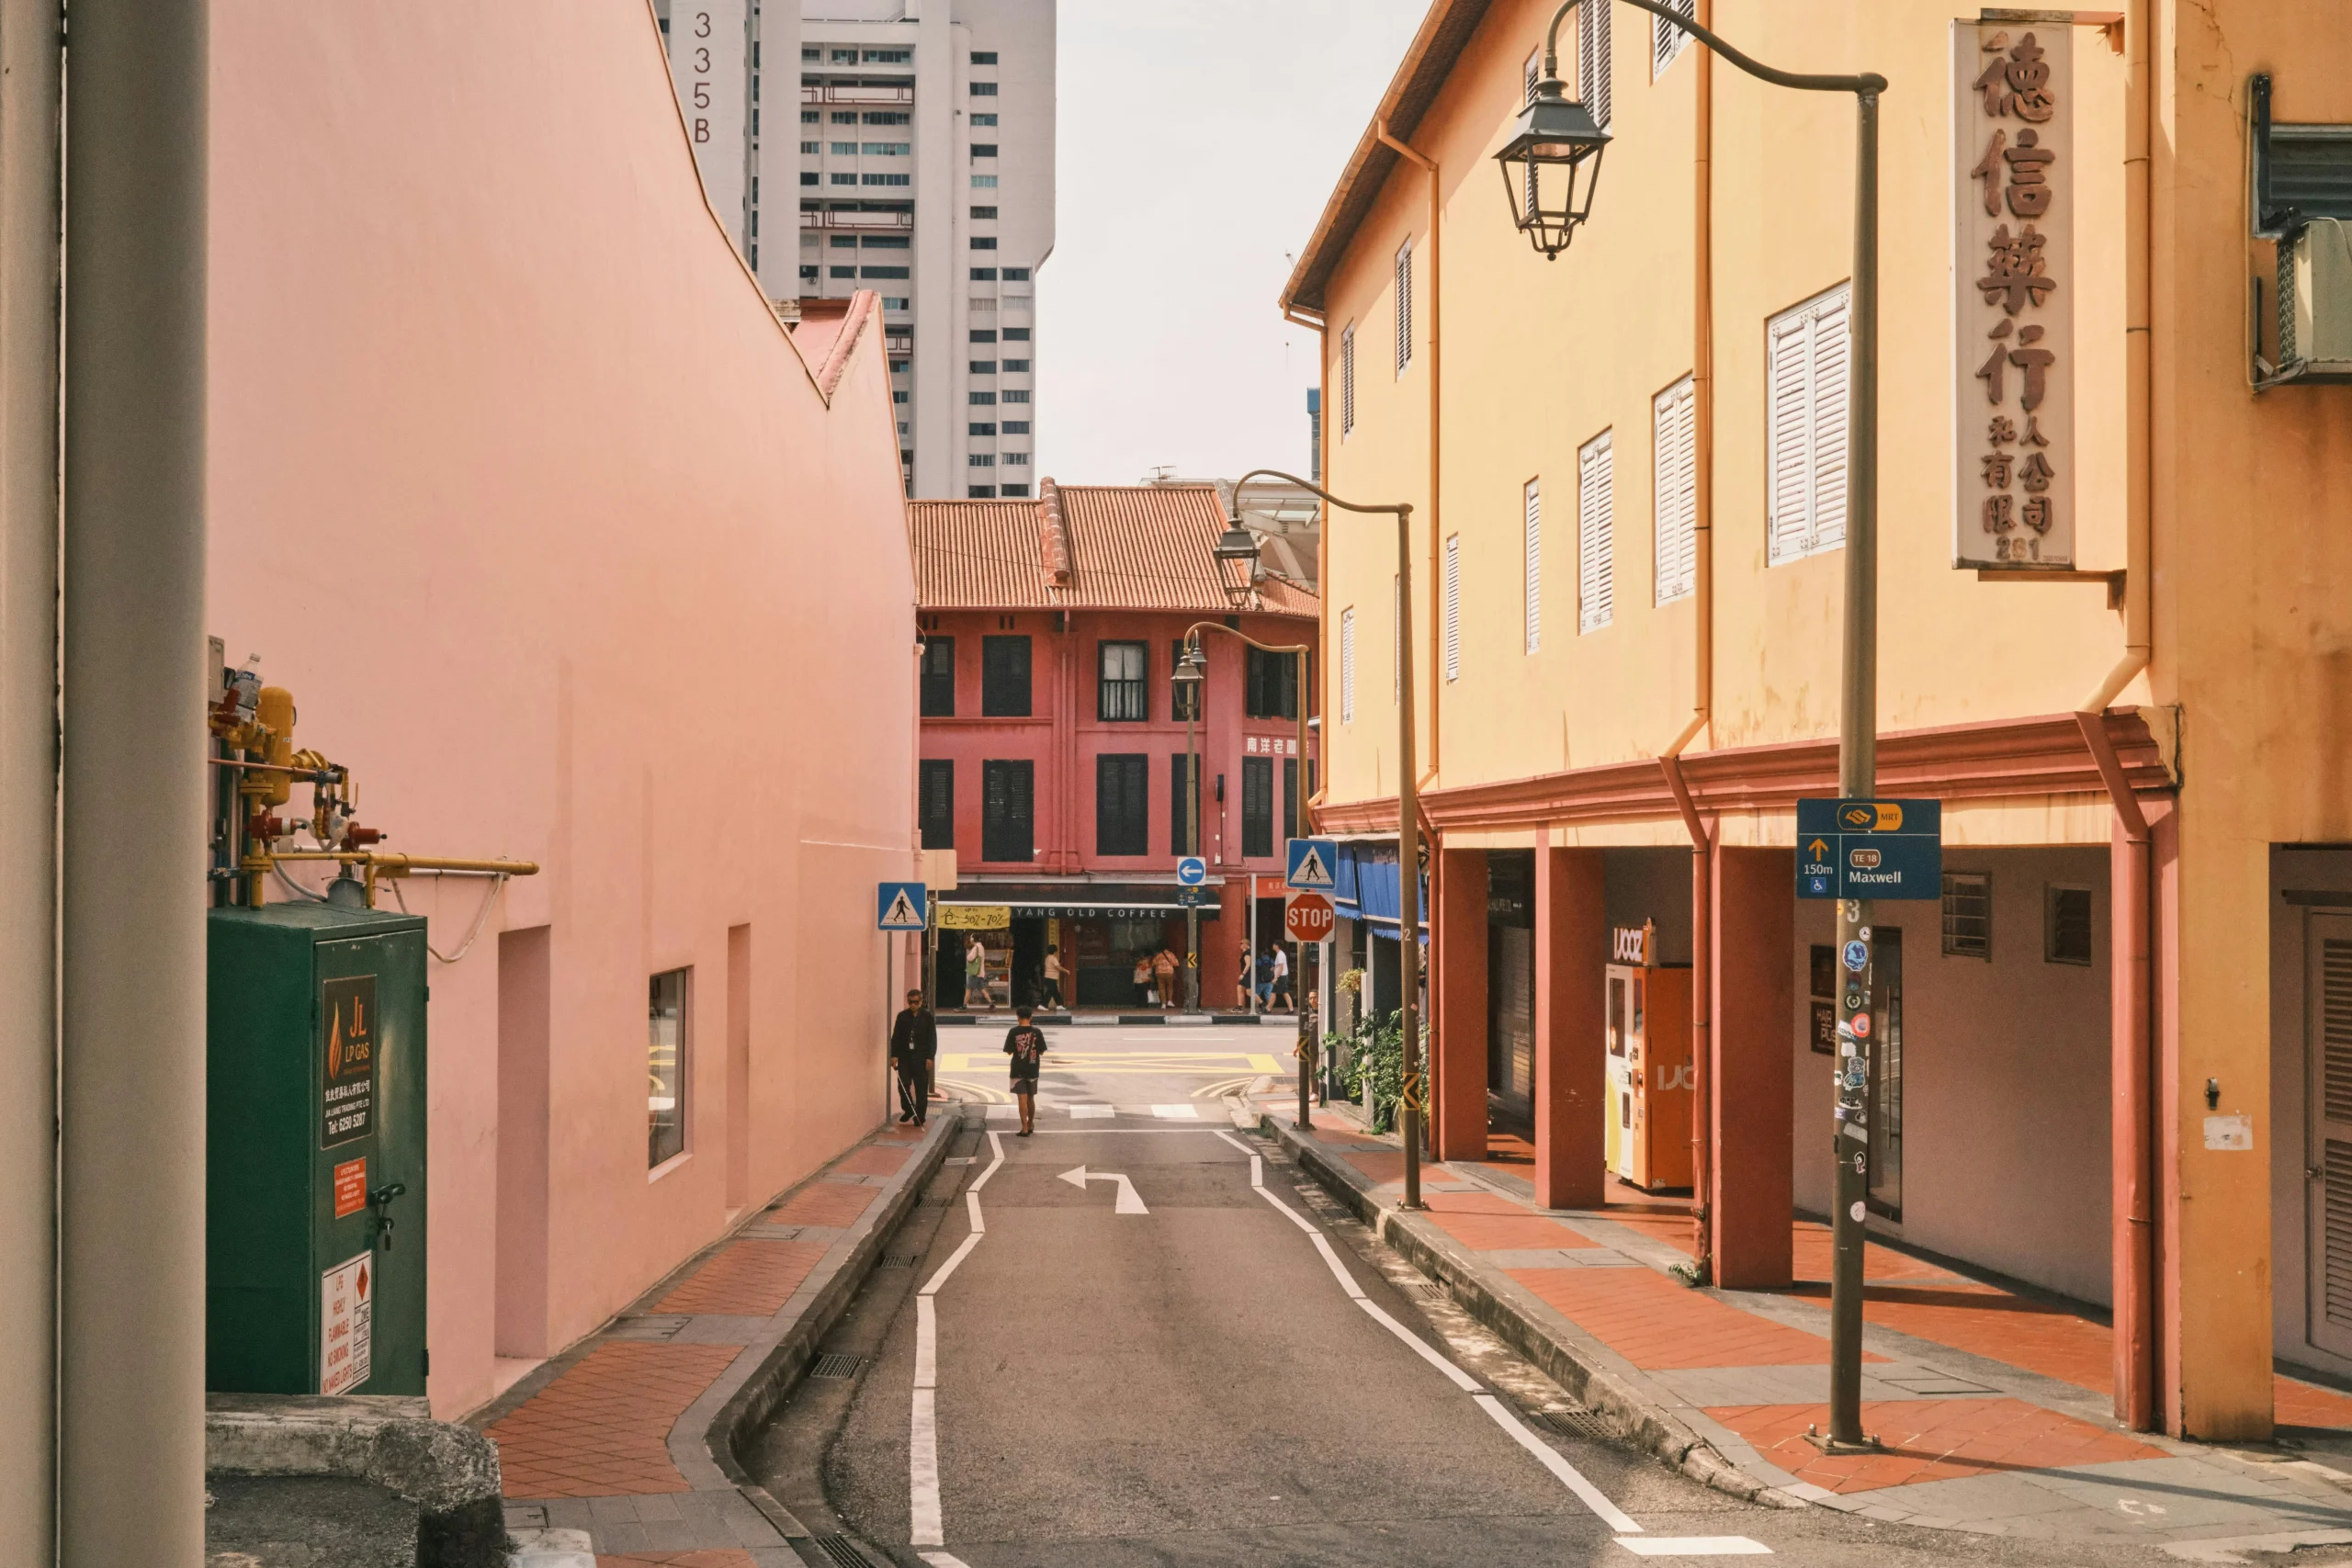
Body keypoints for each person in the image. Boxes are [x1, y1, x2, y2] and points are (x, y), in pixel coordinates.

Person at [888, 988, 936, 1126]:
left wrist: (930, 1057)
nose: (913, 1005)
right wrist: (894, 1055)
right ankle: (909, 1110)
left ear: (921, 1002)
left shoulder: (927, 1017)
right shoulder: (902, 1016)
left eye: (916, 1002)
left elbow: (932, 1039)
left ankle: (919, 1116)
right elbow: (896, 1037)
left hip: (921, 1057)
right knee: (903, 1084)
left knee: (921, 1088)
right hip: (905, 1057)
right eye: (910, 1002)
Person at [1003, 1004, 1048, 1135]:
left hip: (1017, 1069)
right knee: (1030, 1098)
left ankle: (1023, 1128)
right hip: (1033, 1068)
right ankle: (1030, 1123)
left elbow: (1009, 1052)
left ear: (1018, 1017)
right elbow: (1041, 1052)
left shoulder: (1013, 1032)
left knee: (1021, 1098)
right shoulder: (1037, 1032)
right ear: (1031, 1017)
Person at [963, 933, 990, 1010]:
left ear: (972, 939)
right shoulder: (981, 947)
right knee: (982, 989)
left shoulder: (976, 948)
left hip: (975, 973)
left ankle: (964, 1006)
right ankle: (991, 1005)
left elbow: (970, 958)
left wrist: (968, 956)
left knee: (968, 989)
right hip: (980, 973)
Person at [1152, 945, 1180, 1011]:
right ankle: (1169, 1001)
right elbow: (1176, 964)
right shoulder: (1171, 955)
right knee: (1170, 987)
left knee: (1161, 988)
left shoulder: (1158, 955)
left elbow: (1153, 963)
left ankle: (1163, 1003)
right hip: (1169, 973)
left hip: (1159, 973)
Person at [1271, 944, 1293, 1012]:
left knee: (1273, 992)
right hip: (1283, 976)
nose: (1273, 946)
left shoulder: (1280, 955)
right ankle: (1291, 1009)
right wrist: (1274, 968)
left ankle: (1268, 1008)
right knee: (1285, 993)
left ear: (1277, 946)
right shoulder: (1280, 954)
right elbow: (1280, 966)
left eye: (1274, 945)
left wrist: (1276, 977)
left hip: (1280, 977)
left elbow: (1281, 967)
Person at [1041, 943, 1062, 1010]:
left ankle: (1060, 1005)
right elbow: (1057, 967)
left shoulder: (1047, 958)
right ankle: (1043, 1005)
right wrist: (1066, 971)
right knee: (1050, 991)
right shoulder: (1053, 958)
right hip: (1052, 977)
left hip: (1047, 977)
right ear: (1055, 951)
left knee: (1055, 991)